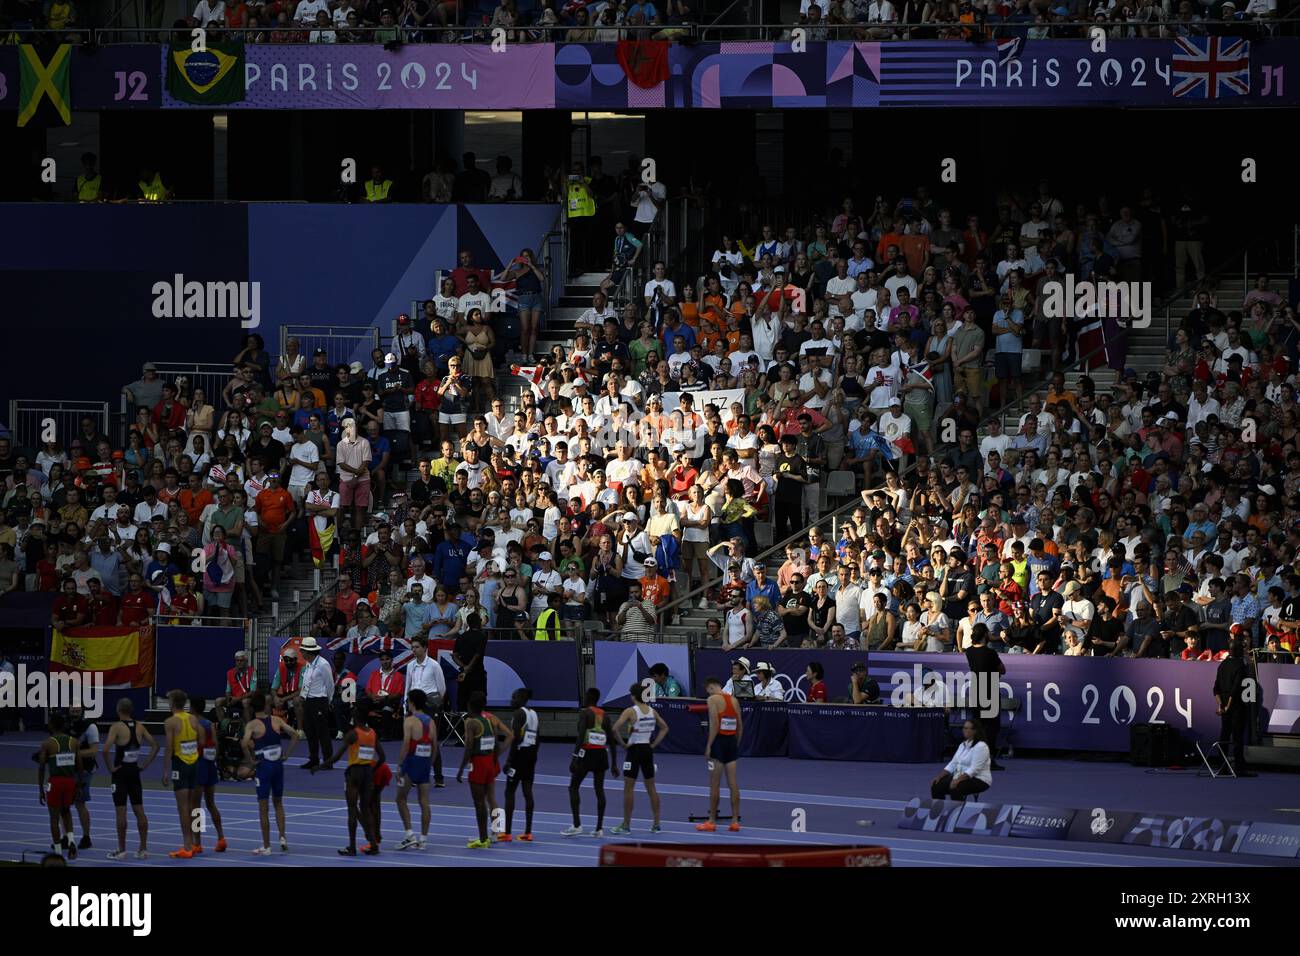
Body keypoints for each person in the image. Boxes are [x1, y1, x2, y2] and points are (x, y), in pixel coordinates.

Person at [316, 704, 385, 856]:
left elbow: (336, 757)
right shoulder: (372, 733)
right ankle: (374, 844)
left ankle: (352, 847)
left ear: (356, 716)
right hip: (367, 772)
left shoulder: (353, 734)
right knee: (366, 809)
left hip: (354, 773)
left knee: (352, 810)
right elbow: (383, 757)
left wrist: (320, 766)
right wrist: (372, 770)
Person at [240, 690, 298, 855]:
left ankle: (266, 846)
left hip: (263, 768)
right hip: (278, 767)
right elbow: (294, 734)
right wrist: (287, 754)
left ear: (251, 708)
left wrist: (250, 762)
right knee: (278, 803)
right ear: (266, 706)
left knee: (263, 807)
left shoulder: (252, 725)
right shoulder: (276, 720)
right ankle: (282, 837)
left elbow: (244, 744)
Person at [100, 698, 158, 860]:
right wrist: (144, 765)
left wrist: (111, 768)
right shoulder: (139, 726)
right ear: (131, 710)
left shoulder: (116, 727)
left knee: (121, 812)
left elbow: (105, 750)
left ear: (119, 710)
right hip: (134, 772)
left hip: (120, 774)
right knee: (140, 810)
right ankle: (143, 848)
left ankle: (122, 849)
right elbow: (155, 745)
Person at [609, 681, 669, 834]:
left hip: (634, 751)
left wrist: (623, 744)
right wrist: (653, 745)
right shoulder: (651, 711)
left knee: (628, 789)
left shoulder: (630, 711)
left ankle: (626, 826)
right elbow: (665, 728)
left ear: (634, 696)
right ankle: (656, 824)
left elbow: (614, 729)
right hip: (647, 750)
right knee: (652, 789)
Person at [457, 690, 513, 849]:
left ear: (470, 705)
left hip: (480, 762)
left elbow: (469, 747)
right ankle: (498, 831)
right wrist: (497, 755)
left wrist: (461, 768)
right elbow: (508, 735)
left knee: (480, 801)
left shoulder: (471, 722)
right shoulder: (491, 719)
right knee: (492, 798)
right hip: (491, 761)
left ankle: (483, 837)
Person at [562, 687, 619, 837]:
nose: (584, 698)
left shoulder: (585, 713)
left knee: (573, 787)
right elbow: (612, 741)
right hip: (601, 754)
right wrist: (614, 764)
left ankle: (576, 825)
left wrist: (575, 757)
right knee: (599, 790)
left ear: (589, 698)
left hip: (586, 753)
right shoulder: (605, 715)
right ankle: (599, 829)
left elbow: (580, 737)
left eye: (586, 696)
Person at [38, 711, 94, 860]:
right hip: (70, 781)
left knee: (54, 818)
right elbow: (80, 766)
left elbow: (42, 767)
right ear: (64, 726)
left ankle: (57, 852)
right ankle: (71, 841)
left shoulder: (47, 743)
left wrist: (40, 790)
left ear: (51, 726)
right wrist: (79, 786)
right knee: (66, 812)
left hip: (55, 782)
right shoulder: (74, 742)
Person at [697, 675, 742, 832]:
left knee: (714, 785)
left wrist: (709, 746)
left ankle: (712, 821)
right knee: (733, 784)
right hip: (731, 743)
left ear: (710, 687)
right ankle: (735, 821)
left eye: (708, 691)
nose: (708, 695)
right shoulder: (734, 700)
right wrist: (736, 743)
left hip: (718, 743)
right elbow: (740, 726)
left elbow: (714, 724)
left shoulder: (712, 700)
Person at [161, 689, 203, 859]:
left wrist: (165, 770)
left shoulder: (170, 722)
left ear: (172, 703)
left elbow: (169, 748)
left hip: (180, 764)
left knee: (183, 807)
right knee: (196, 807)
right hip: (195, 763)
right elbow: (201, 739)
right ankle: (197, 843)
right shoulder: (193, 718)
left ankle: (187, 846)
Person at [395, 689, 438, 851]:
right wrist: (430, 764)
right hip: (425, 764)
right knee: (424, 802)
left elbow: (406, 745)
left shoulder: (410, 721)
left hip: (411, 762)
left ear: (411, 702)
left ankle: (409, 835)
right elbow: (435, 747)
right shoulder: (431, 722)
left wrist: (399, 766)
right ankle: (423, 839)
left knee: (400, 799)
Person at [964, 623, 1006, 770]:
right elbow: (1003, 669)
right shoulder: (990, 653)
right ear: (984, 635)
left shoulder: (968, 651)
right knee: (992, 727)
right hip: (990, 691)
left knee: (978, 726)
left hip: (976, 690)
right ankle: (988, 760)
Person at [190, 696, 229, 854]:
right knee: (211, 804)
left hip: (198, 765)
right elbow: (216, 745)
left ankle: (197, 843)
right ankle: (221, 838)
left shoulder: (192, 723)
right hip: (209, 764)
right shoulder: (210, 724)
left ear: (192, 708)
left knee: (196, 807)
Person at [500, 687, 539, 842]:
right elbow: (538, 738)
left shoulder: (518, 713)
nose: (511, 701)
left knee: (509, 792)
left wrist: (509, 761)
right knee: (527, 791)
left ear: (520, 698)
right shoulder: (534, 714)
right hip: (531, 755)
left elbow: (515, 738)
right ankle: (528, 832)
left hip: (519, 756)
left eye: (513, 698)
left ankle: (507, 832)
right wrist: (534, 755)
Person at [1213, 640, 1255, 777]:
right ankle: (1239, 769)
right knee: (1237, 738)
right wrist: (1227, 706)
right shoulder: (1240, 666)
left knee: (1224, 736)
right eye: (1240, 649)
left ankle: (1222, 767)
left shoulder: (1223, 665)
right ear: (1236, 651)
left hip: (1224, 707)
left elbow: (1216, 688)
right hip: (1236, 707)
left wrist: (1221, 706)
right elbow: (1235, 690)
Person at [297, 636, 335, 770]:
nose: (301, 653)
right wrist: (302, 696)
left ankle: (328, 760)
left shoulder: (323, 664)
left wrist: (327, 701)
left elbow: (330, 684)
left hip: (320, 701)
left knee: (322, 732)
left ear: (308, 652)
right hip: (308, 701)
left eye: (302, 650)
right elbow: (306, 683)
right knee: (310, 731)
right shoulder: (308, 664)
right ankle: (313, 759)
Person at [930, 719, 993, 800]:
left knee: (956, 788)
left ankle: (957, 812)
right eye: (964, 728)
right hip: (961, 776)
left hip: (979, 779)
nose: (964, 730)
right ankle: (939, 811)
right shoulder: (962, 745)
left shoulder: (981, 746)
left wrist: (958, 780)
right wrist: (939, 776)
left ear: (975, 731)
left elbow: (974, 769)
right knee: (936, 785)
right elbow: (953, 763)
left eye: (967, 728)